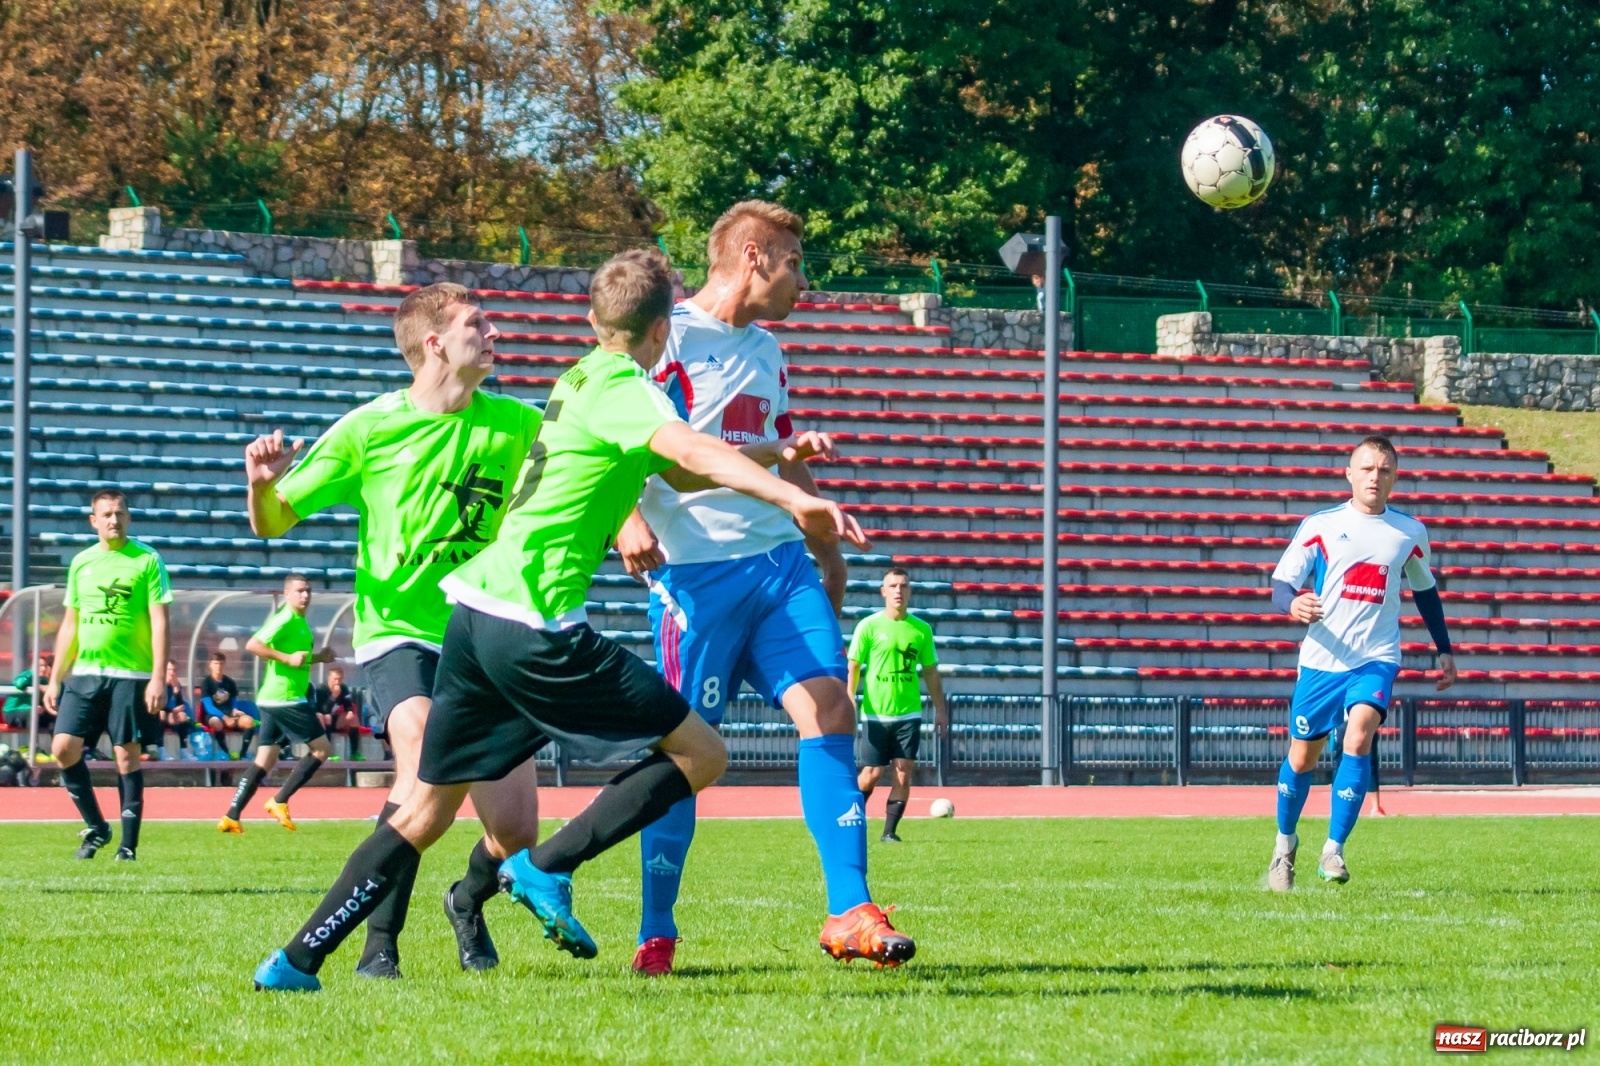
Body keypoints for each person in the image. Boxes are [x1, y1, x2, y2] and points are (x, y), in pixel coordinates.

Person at [252, 247, 868, 992]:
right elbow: (689, 449)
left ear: (591, 318)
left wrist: (776, 454)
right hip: (535, 621)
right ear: (664, 329)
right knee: (703, 755)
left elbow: (673, 467)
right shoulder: (628, 390)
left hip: (473, 613)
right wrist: (795, 499)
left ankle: (294, 960)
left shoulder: (578, 376)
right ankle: (546, 869)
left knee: (422, 811)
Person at [616, 200, 912, 976]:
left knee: (830, 708)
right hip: (695, 575)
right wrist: (621, 521)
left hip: (780, 565)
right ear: (754, 255)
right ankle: (656, 928)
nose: (802, 280)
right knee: (686, 753)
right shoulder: (662, 334)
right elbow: (603, 434)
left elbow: (775, 458)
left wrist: (824, 540)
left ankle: (850, 909)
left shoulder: (770, 353)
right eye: (794, 261)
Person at [241, 281, 544, 979]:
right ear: (434, 342)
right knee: (422, 765)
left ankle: (466, 900)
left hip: (485, 634)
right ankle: (378, 946)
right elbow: (274, 522)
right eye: (479, 323)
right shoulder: (368, 428)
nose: (494, 332)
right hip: (398, 634)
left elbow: (574, 483)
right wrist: (261, 483)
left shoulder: (520, 424)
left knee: (516, 831)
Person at [1266, 436, 1456, 890]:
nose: (1375, 476)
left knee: (1359, 733)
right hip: (1322, 659)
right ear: (1349, 474)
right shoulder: (1320, 525)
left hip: (1376, 657)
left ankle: (1333, 850)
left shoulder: (1409, 533)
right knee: (1303, 755)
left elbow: (1425, 591)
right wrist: (1292, 606)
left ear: (1395, 477)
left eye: (1384, 469)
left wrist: (1444, 648)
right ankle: (1284, 847)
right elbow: (1281, 585)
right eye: (1367, 468)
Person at [42, 490, 172, 861]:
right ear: (93, 521)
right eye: (106, 514)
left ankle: (128, 847)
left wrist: (158, 677)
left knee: (125, 756)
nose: (114, 520)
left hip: (131, 674)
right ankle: (97, 828)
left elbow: (160, 621)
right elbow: (71, 623)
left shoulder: (147, 559)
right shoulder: (82, 563)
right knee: (62, 748)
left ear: (128, 517)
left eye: (119, 513)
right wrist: (55, 677)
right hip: (85, 673)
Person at [218, 575, 339, 833]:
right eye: (299, 591)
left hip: (273, 699)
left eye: (308, 591)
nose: (304, 596)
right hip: (285, 698)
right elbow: (254, 644)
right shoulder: (284, 619)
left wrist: (319, 657)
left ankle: (231, 815)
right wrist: (284, 657)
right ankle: (279, 800)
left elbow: (298, 659)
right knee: (322, 749)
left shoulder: (300, 622)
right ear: (286, 594)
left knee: (265, 760)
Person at [850, 568, 948, 843]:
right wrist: (848, 697)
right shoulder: (868, 626)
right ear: (883, 591)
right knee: (871, 774)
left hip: (909, 713)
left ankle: (889, 832)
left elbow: (930, 671)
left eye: (903, 585)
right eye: (892, 585)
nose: (898, 590)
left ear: (910, 591)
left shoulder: (921, 629)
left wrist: (940, 709)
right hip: (875, 712)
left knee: (903, 773)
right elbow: (854, 665)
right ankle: (849, 817)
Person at [198, 652, 254, 758]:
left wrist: (234, 710)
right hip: (212, 714)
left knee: (249, 721)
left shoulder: (230, 682)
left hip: (228, 712)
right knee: (216, 722)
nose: (219, 666)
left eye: (221, 664)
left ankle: (243, 753)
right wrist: (225, 718)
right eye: (216, 663)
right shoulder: (206, 683)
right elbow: (209, 707)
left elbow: (233, 703)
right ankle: (225, 752)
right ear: (210, 664)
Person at [316, 667, 363, 760]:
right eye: (335, 679)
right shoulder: (321, 689)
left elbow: (348, 704)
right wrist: (333, 696)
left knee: (353, 718)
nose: (337, 682)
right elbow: (322, 710)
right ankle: (328, 753)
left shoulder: (344, 688)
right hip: (320, 721)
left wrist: (349, 712)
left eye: (340, 679)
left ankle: (354, 753)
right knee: (326, 716)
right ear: (329, 678)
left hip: (335, 720)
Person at [3, 655, 53, 736]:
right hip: (13, 712)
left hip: (33, 712)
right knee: (32, 715)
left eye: (45, 666)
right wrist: (32, 672)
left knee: (54, 718)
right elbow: (19, 683)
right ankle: (33, 746)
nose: (43, 669)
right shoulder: (26, 675)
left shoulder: (44, 681)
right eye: (39, 666)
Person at [158, 660, 192, 755]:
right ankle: (160, 748)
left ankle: (183, 749)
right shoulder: (160, 684)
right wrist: (172, 710)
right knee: (162, 713)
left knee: (182, 715)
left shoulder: (176, 684)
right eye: (169, 670)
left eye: (174, 670)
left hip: (169, 713)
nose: (172, 673)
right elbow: (159, 706)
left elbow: (181, 705)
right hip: (156, 714)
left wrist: (176, 691)